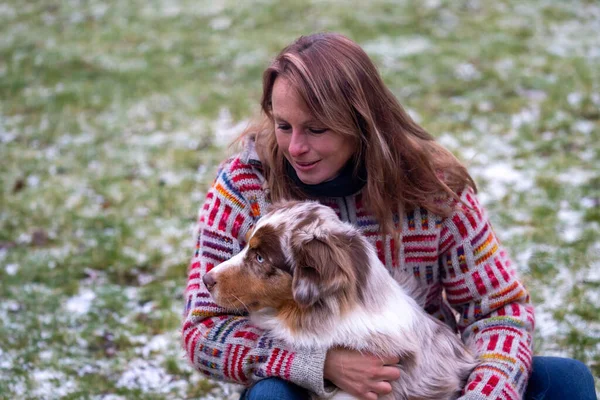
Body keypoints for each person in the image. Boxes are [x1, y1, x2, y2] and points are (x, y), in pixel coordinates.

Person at [181, 33, 597, 400]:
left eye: (317, 129)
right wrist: (319, 364)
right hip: (302, 383)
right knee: (271, 397)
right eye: (284, 125)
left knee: (569, 381)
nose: (294, 147)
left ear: (360, 122)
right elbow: (201, 332)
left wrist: (484, 394)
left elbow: (500, 309)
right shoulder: (242, 186)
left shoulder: (433, 187)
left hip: (423, 377)